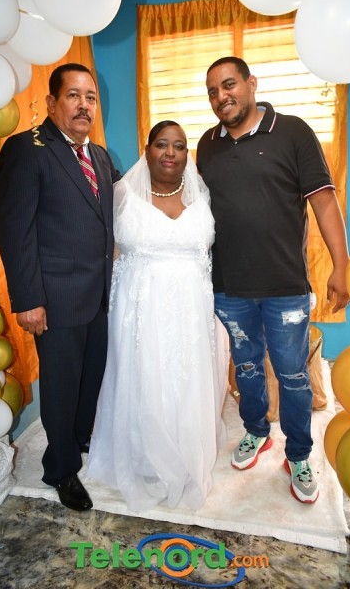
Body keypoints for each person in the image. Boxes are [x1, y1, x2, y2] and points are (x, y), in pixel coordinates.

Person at [197, 56, 350, 504]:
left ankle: (298, 454)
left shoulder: (293, 131)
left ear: (252, 83)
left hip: (285, 286)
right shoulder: (206, 145)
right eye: (212, 91)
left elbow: (324, 201)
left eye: (229, 85)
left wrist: (341, 267)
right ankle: (256, 431)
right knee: (246, 366)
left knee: (292, 374)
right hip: (229, 286)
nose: (221, 96)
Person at [0, 63, 121, 511]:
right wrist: (28, 299)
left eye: (91, 97)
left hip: (98, 295)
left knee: (91, 378)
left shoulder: (99, 156)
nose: (84, 105)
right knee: (62, 387)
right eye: (74, 95)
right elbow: (15, 231)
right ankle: (61, 469)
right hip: (55, 298)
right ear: (51, 103)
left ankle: (80, 439)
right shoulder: (26, 150)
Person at [87, 121, 227, 512]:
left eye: (179, 146)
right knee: (144, 375)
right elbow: (105, 250)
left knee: (184, 377)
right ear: (147, 150)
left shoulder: (202, 195)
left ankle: (184, 448)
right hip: (139, 308)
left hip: (190, 308)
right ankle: (142, 455)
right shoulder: (122, 195)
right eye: (162, 144)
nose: (170, 153)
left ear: (187, 154)